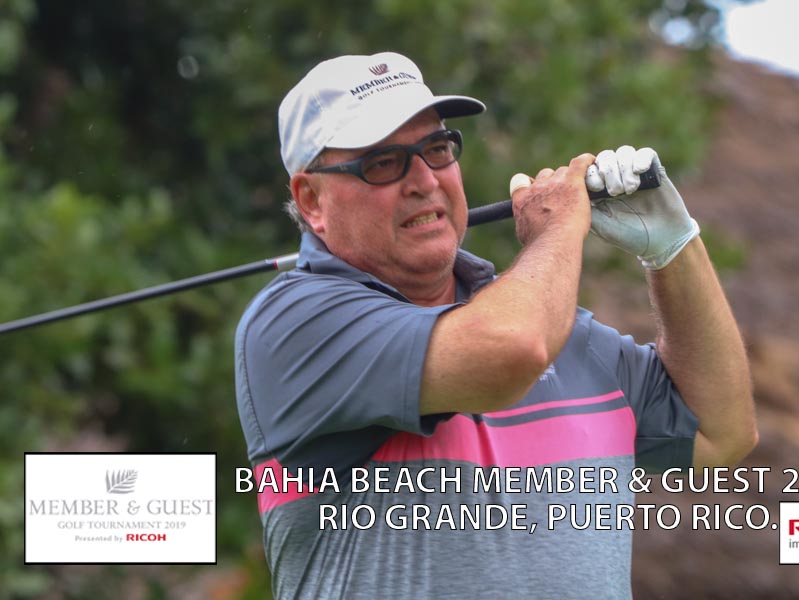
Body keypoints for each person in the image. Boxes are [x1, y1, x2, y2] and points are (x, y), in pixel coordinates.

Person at [235, 51, 756, 599]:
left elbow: (721, 434)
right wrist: (558, 228)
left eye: (437, 149)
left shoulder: (561, 330)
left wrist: (674, 247)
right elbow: (512, 349)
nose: (424, 180)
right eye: (384, 162)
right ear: (311, 200)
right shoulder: (291, 324)